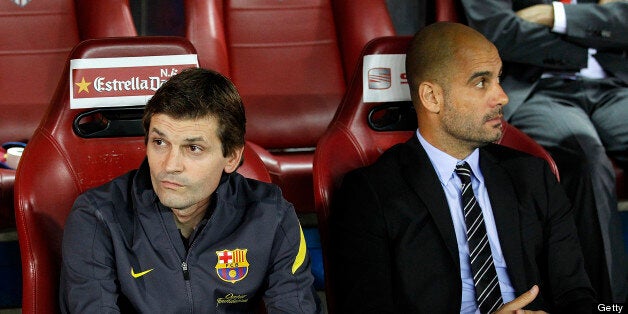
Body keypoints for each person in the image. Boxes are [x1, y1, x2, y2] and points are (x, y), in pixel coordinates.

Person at [329, 22, 595, 313]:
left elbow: (577, 296)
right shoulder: (371, 194)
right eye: (481, 82)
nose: (502, 97)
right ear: (432, 97)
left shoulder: (533, 176)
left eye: (499, 79)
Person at [59, 68, 320, 313]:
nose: (170, 166)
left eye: (193, 148)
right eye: (160, 142)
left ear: (231, 157)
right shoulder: (98, 217)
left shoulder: (271, 215)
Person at [460, 0, 628, 303]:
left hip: (615, 85)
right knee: (585, 160)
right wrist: (594, 43)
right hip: (539, 88)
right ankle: (607, 305)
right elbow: (497, 31)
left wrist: (556, 15)